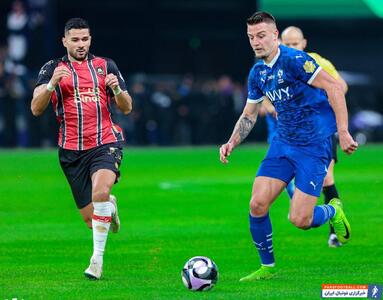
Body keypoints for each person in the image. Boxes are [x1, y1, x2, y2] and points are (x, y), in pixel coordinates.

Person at [219, 12, 357, 281]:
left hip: (314, 146)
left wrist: (343, 132)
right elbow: (249, 114)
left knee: (300, 220)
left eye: (261, 36)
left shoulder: (296, 60)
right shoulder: (257, 72)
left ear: (274, 35)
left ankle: (333, 210)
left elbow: (335, 88)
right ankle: (267, 268)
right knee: (257, 204)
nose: (256, 42)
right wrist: (232, 141)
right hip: (283, 144)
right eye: (251, 37)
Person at [31, 18, 132, 280]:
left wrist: (117, 89)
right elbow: (36, 108)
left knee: (100, 190)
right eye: (75, 40)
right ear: (64, 41)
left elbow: (127, 106)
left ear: (90, 39)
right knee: (92, 220)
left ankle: (96, 261)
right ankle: (108, 206)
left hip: (105, 143)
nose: (80, 44)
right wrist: (51, 84)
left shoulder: (104, 66)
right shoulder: (52, 68)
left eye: (85, 39)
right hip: (71, 151)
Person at [280, 26, 348, 247]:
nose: (291, 47)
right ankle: (304, 208)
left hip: (321, 131)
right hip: (294, 134)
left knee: (327, 178)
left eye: (295, 43)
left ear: (304, 43)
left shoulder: (317, 62)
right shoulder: (278, 65)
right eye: (287, 44)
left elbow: (341, 86)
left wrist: (322, 100)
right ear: (281, 43)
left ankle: (334, 232)